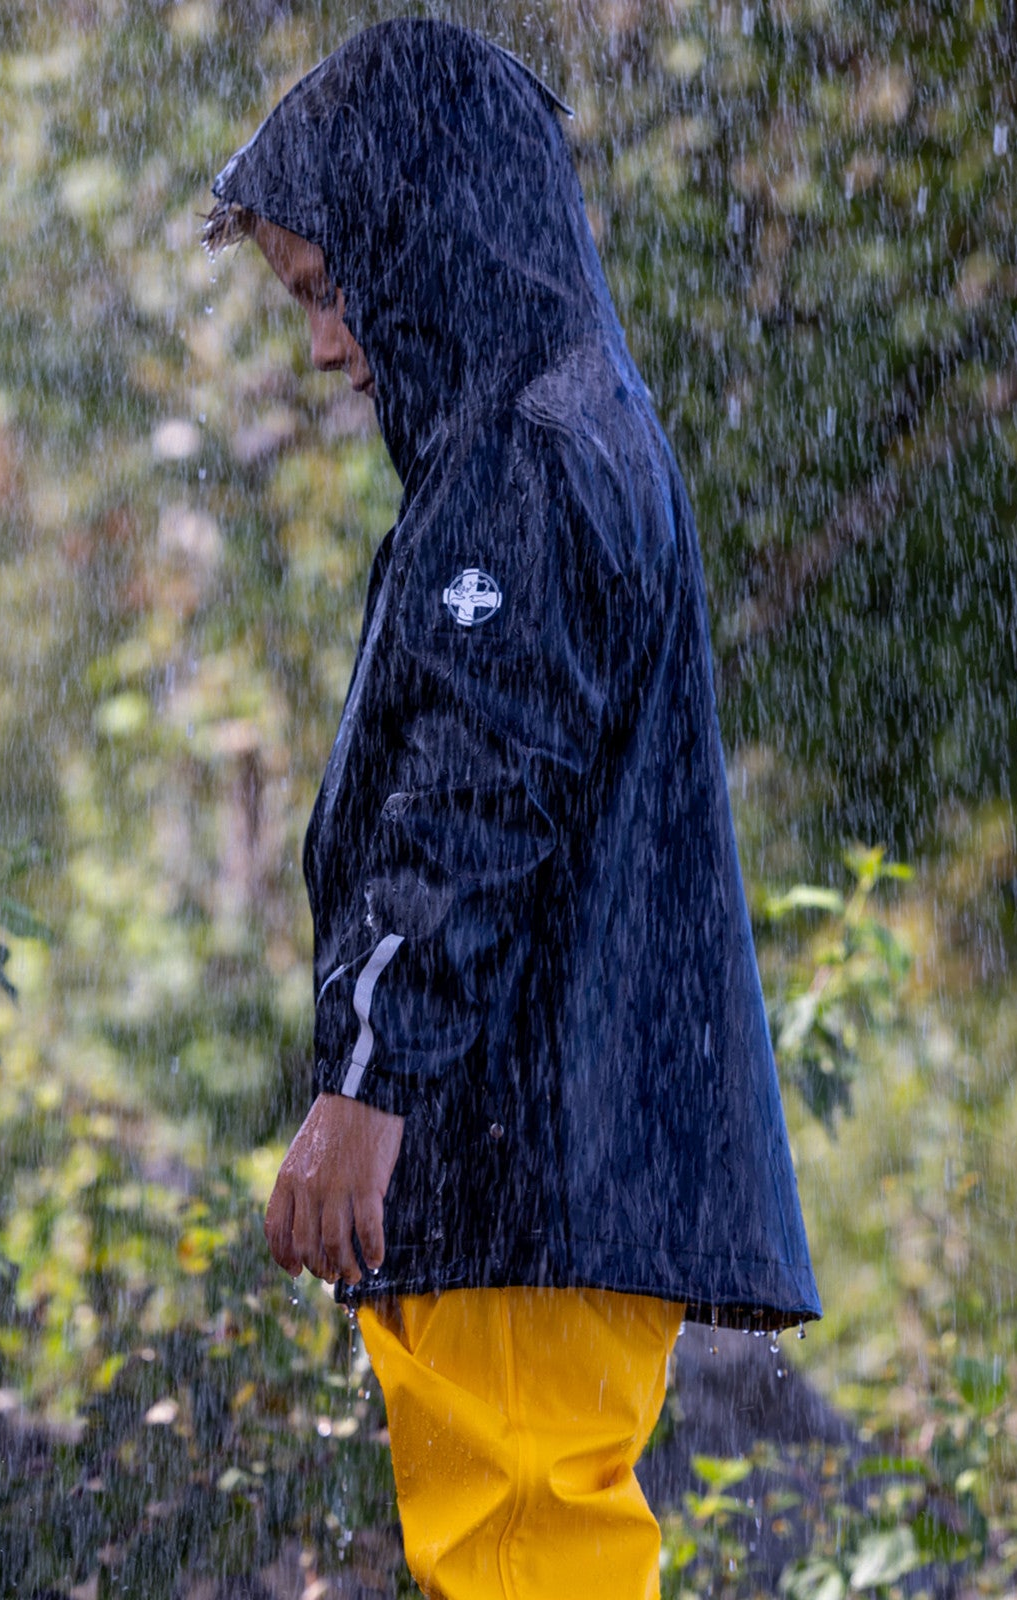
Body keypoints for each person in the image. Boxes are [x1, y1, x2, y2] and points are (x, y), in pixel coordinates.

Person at [202, 21, 820, 1598]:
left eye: (330, 289)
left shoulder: (530, 460)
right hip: (547, 1151)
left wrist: (364, 1084)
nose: (329, 347)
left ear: (428, 234)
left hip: (532, 1152)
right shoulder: (558, 436)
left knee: (530, 1552)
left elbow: (474, 802)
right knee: (522, 1547)